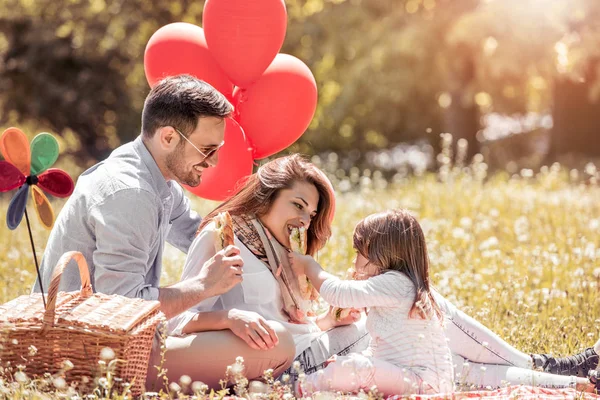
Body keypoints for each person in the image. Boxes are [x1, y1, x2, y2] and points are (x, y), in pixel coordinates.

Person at [33, 74, 246, 320]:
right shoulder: (131, 194)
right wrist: (204, 286)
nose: (215, 161)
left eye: (217, 149)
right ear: (168, 137)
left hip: (111, 335)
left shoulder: (157, 177)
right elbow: (122, 305)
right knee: (270, 344)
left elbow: (197, 235)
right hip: (75, 343)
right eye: (207, 150)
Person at [162, 154, 369, 389]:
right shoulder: (221, 237)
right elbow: (177, 320)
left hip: (303, 347)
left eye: (311, 215)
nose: (304, 221)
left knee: (367, 321)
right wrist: (229, 319)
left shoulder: (288, 250)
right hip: (276, 367)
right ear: (268, 197)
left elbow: (290, 324)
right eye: (298, 205)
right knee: (376, 328)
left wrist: (330, 320)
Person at [289, 209, 454, 396]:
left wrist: (309, 266)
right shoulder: (398, 287)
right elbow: (380, 351)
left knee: (352, 368)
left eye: (359, 252)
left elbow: (337, 293)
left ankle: (291, 389)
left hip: (423, 383)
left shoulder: (397, 283)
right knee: (350, 365)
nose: (355, 259)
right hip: (412, 378)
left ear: (382, 253)